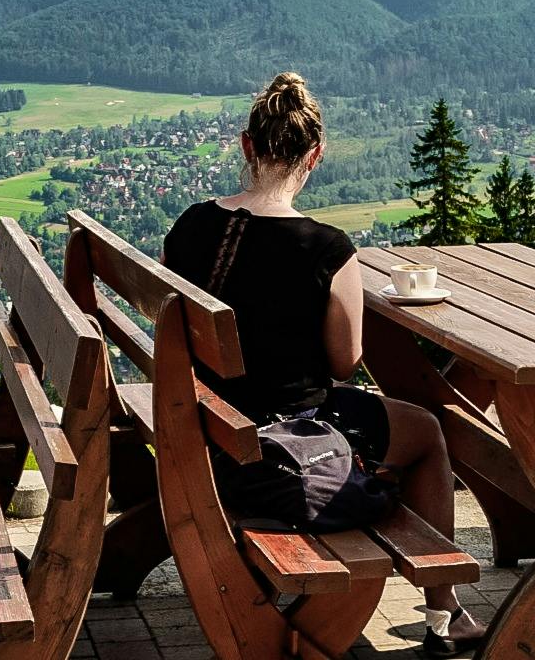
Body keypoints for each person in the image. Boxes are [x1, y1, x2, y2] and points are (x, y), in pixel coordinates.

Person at [162, 72, 485, 655]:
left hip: (203, 427)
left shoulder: (190, 225)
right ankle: (444, 613)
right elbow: (346, 362)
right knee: (429, 433)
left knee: (400, 427)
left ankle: (439, 601)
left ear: (246, 146)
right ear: (316, 154)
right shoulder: (327, 249)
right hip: (280, 440)